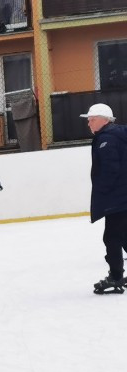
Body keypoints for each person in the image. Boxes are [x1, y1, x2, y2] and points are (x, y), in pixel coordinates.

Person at [82, 103, 127, 295]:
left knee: (112, 237)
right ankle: (116, 275)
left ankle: (116, 277)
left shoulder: (107, 139)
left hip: (118, 199)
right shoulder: (118, 135)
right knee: (122, 236)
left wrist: (103, 192)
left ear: (104, 120)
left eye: (92, 120)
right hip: (121, 197)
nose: (89, 124)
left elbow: (110, 170)